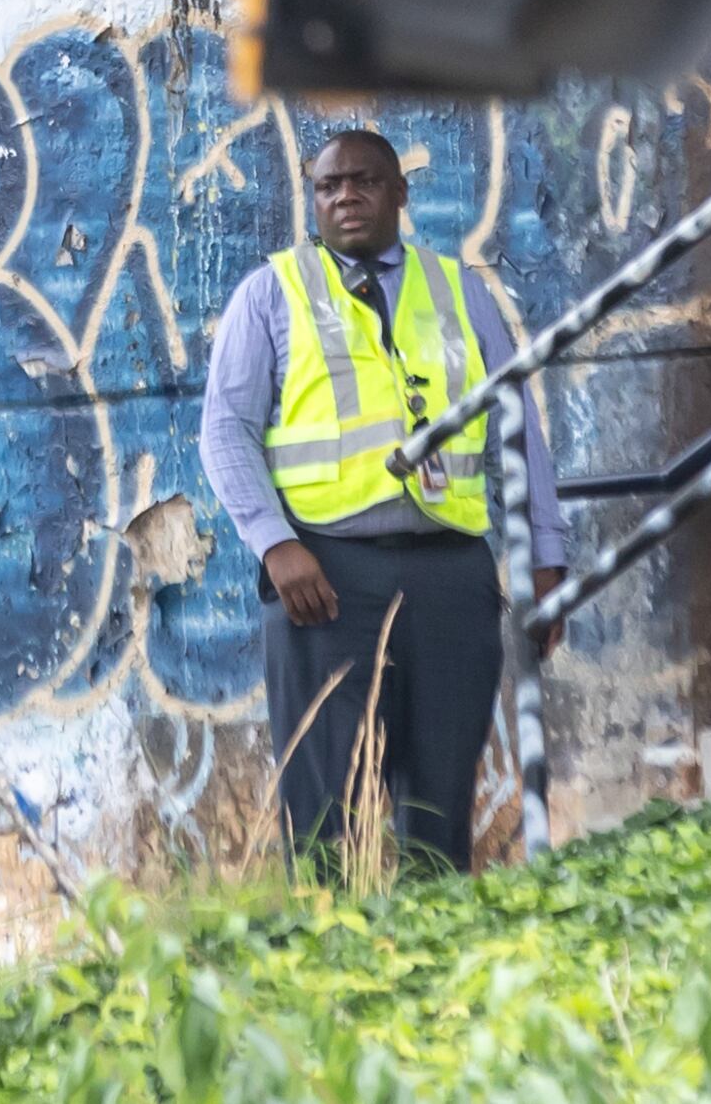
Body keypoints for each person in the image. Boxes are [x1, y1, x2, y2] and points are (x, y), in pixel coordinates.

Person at [198, 128, 568, 875]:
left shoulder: (458, 290)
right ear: (313, 199)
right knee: (324, 806)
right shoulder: (274, 291)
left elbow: (517, 425)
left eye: (364, 181)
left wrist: (546, 555)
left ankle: (441, 960)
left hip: (450, 574)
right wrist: (276, 544)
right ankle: (328, 962)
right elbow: (225, 430)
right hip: (323, 579)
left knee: (440, 798)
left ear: (400, 192)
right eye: (328, 186)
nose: (345, 197)